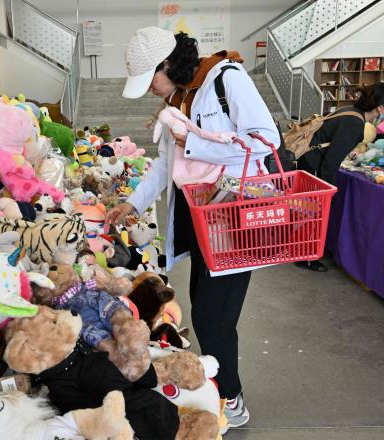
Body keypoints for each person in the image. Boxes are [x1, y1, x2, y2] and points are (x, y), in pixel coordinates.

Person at [107, 27, 280, 429]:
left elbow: (264, 140)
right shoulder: (179, 96)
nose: (150, 89)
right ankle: (220, 388)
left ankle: (232, 400)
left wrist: (195, 141)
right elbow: (167, 163)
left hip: (237, 218)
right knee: (203, 305)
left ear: (167, 64)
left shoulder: (227, 79)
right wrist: (132, 202)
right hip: (205, 221)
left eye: (151, 78)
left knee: (213, 317)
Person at [296, 82, 384, 272]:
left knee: (309, 210)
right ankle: (306, 256)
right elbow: (331, 161)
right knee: (315, 211)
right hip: (315, 165)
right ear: (381, 107)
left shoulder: (350, 111)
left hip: (310, 161)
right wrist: (329, 189)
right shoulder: (354, 123)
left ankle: (305, 252)